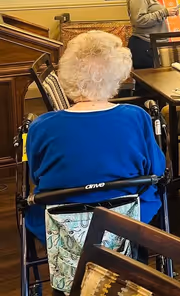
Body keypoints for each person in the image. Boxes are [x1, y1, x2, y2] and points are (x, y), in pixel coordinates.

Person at [26, 31, 166, 244]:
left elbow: (37, 176)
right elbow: (156, 170)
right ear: (118, 76)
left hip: (61, 223)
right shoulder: (136, 117)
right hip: (127, 218)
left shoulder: (42, 126)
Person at [127, 0, 179, 69]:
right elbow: (139, 20)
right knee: (148, 84)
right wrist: (164, 12)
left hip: (151, 45)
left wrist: (167, 12)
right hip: (144, 45)